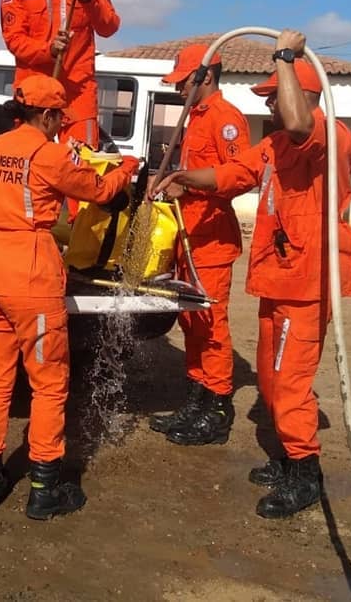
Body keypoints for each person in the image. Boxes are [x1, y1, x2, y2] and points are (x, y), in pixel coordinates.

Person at [153, 29, 351, 518]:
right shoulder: (276, 146)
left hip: (306, 282)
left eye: (274, 95)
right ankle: (287, 458)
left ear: (302, 94)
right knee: (269, 376)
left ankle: (305, 473)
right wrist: (182, 178)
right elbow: (232, 174)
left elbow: (298, 121)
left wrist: (285, 56)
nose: (268, 106)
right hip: (278, 277)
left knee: (288, 381)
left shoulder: (326, 135)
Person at [0, 75, 138, 520]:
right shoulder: (50, 154)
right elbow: (100, 192)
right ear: (45, 115)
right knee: (48, 383)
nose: (62, 123)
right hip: (29, 271)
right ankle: (44, 488)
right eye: (59, 117)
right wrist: (126, 168)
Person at [146, 44, 250, 446]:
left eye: (184, 81)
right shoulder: (196, 117)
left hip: (212, 240)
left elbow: (240, 177)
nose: (179, 89)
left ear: (205, 76)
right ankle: (196, 399)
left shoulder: (226, 119)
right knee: (191, 322)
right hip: (188, 235)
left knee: (211, 325)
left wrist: (186, 184)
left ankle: (217, 409)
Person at [1, 0, 120, 151]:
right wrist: (49, 51)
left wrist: (90, 0)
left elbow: (109, 27)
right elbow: (14, 39)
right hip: (32, 93)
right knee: (27, 162)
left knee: (81, 165)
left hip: (77, 92)